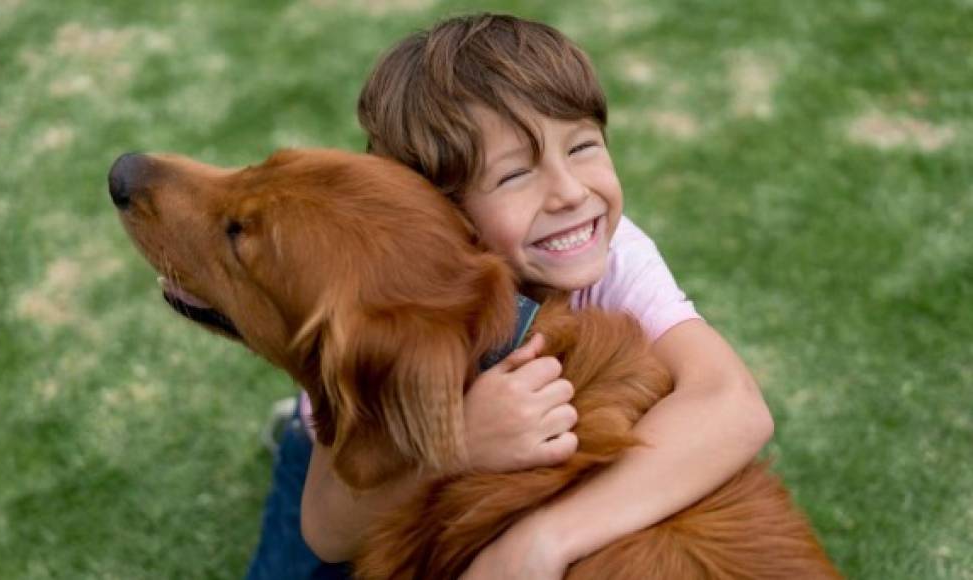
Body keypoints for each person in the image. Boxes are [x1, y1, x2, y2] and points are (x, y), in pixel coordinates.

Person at [246, 13, 773, 579]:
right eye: (515, 176)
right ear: (443, 216)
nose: (571, 193)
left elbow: (733, 405)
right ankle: (299, 434)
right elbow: (329, 533)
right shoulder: (380, 296)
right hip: (379, 448)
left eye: (583, 147)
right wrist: (456, 447)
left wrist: (544, 540)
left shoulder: (614, 251)